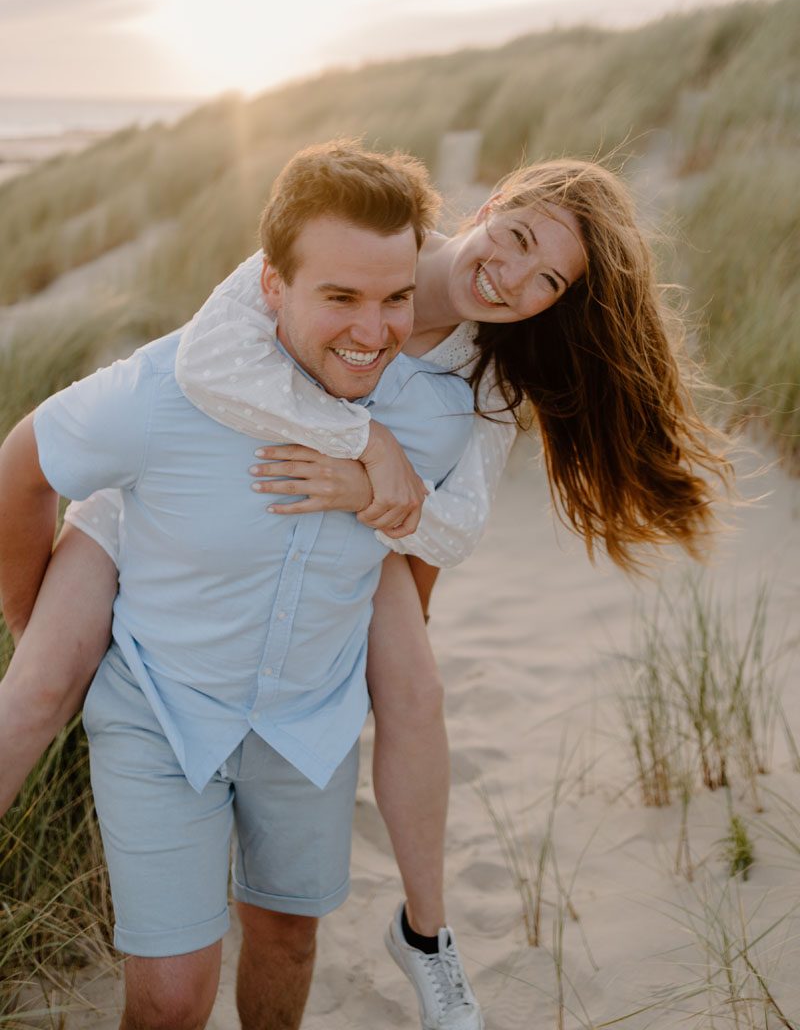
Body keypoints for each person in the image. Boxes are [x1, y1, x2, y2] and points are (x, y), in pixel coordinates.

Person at [0, 152, 732, 1028]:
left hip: (356, 555)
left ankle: (428, 935)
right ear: (493, 202)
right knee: (38, 688)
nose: (513, 280)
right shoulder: (321, 269)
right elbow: (204, 370)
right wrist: (367, 445)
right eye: (518, 239)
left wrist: (366, 489)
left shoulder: (482, 376)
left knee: (413, 696)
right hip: (141, 524)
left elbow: (450, 530)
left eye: (548, 281)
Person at [0, 141, 480, 1030]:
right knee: (175, 994)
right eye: (340, 297)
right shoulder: (164, 393)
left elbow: (415, 560)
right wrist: (35, 625)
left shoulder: (435, 419)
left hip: (310, 722)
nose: (373, 332)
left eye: (395, 299)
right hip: (161, 712)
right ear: (271, 286)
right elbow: (20, 471)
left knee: (288, 938)